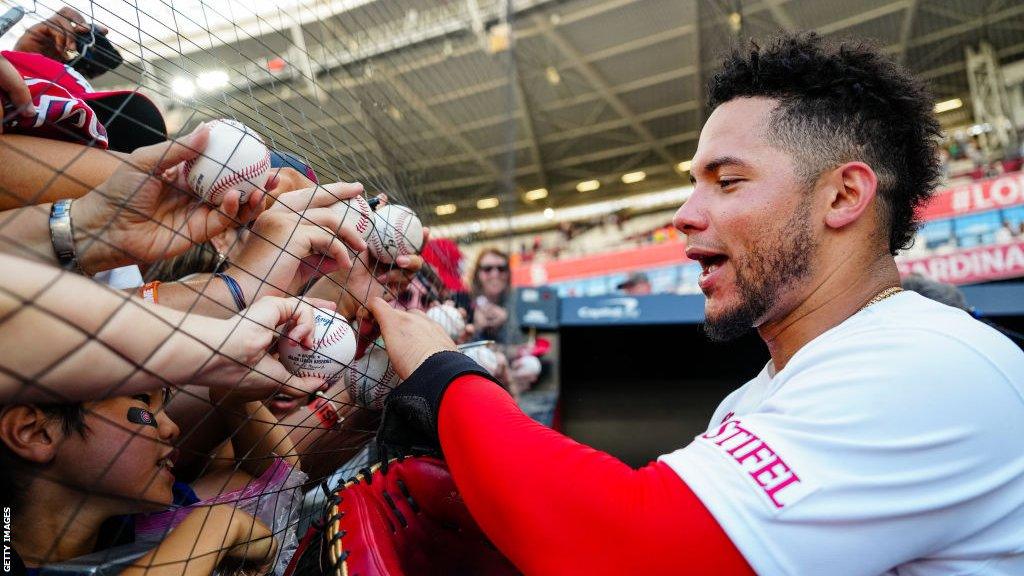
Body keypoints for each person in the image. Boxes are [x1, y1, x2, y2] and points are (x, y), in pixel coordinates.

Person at [365, 33, 1024, 575]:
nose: (683, 215)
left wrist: (446, 375)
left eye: (728, 181)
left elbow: (635, 551)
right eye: (692, 185)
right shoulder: (757, 398)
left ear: (844, 196)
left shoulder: (923, 363)